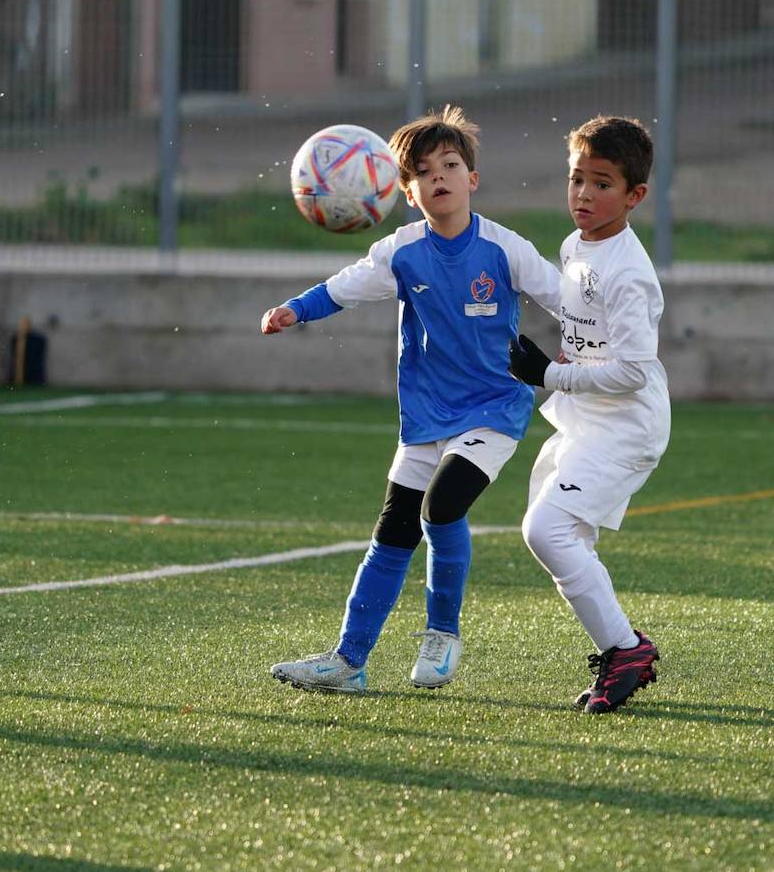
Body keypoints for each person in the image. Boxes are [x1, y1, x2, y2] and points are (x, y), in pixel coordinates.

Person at [261, 106, 560, 693]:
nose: (439, 177)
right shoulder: (402, 252)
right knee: (394, 529)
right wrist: (294, 309)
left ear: (472, 179)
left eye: (450, 165)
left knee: (442, 507)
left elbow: (561, 297)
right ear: (406, 191)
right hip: (425, 417)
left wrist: (580, 350)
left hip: (495, 408)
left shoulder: (504, 249)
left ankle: (442, 635)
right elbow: (341, 288)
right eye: (424, 172)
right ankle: (349, 661)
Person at [507, 116, 670, 714]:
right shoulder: (576, 245)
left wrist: (548, 375)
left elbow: (631, 369)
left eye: (602, 183)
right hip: (586, 417)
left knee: (545, 530)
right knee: (559, 535)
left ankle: (625, 648)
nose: (583, 194)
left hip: (627, 425)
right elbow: (579, 320)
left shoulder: (629, 273)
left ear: (634, 196)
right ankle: (622, 651)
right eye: (576, 179)